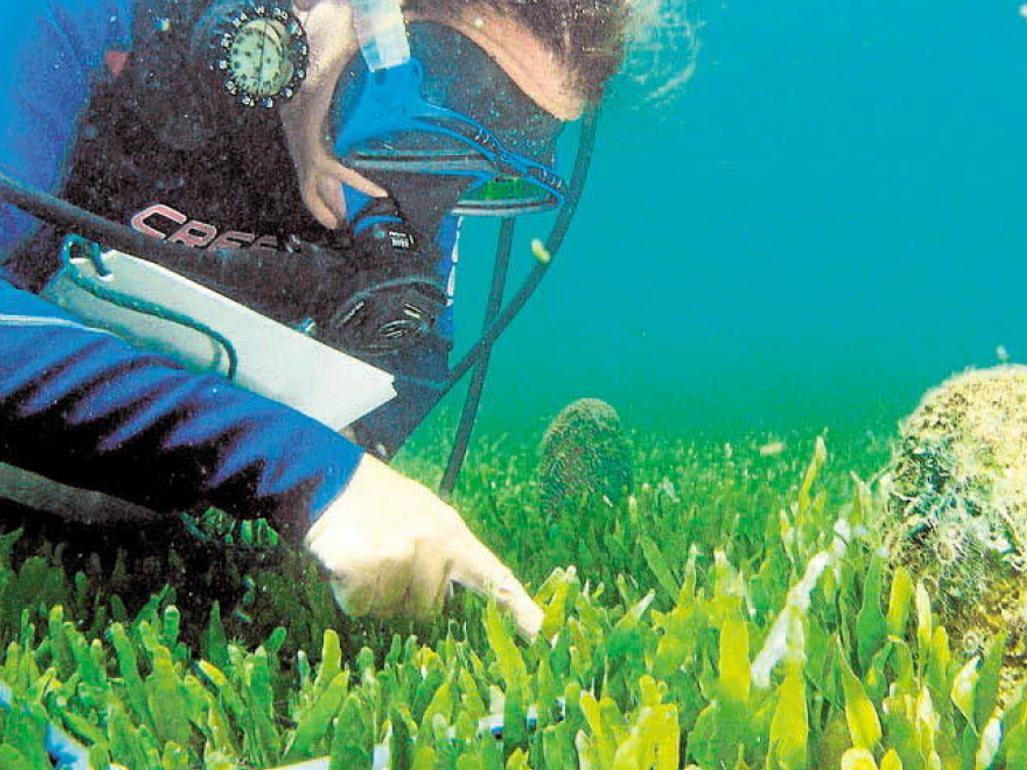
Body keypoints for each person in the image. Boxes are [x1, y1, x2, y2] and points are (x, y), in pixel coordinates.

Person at [0, 0, 629, 637]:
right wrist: (308, 470)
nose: (429, 190)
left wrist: (363, 449)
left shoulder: (404, 175)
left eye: (504, 145)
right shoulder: (81, 17)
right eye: (443, 88)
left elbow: (408, 354)